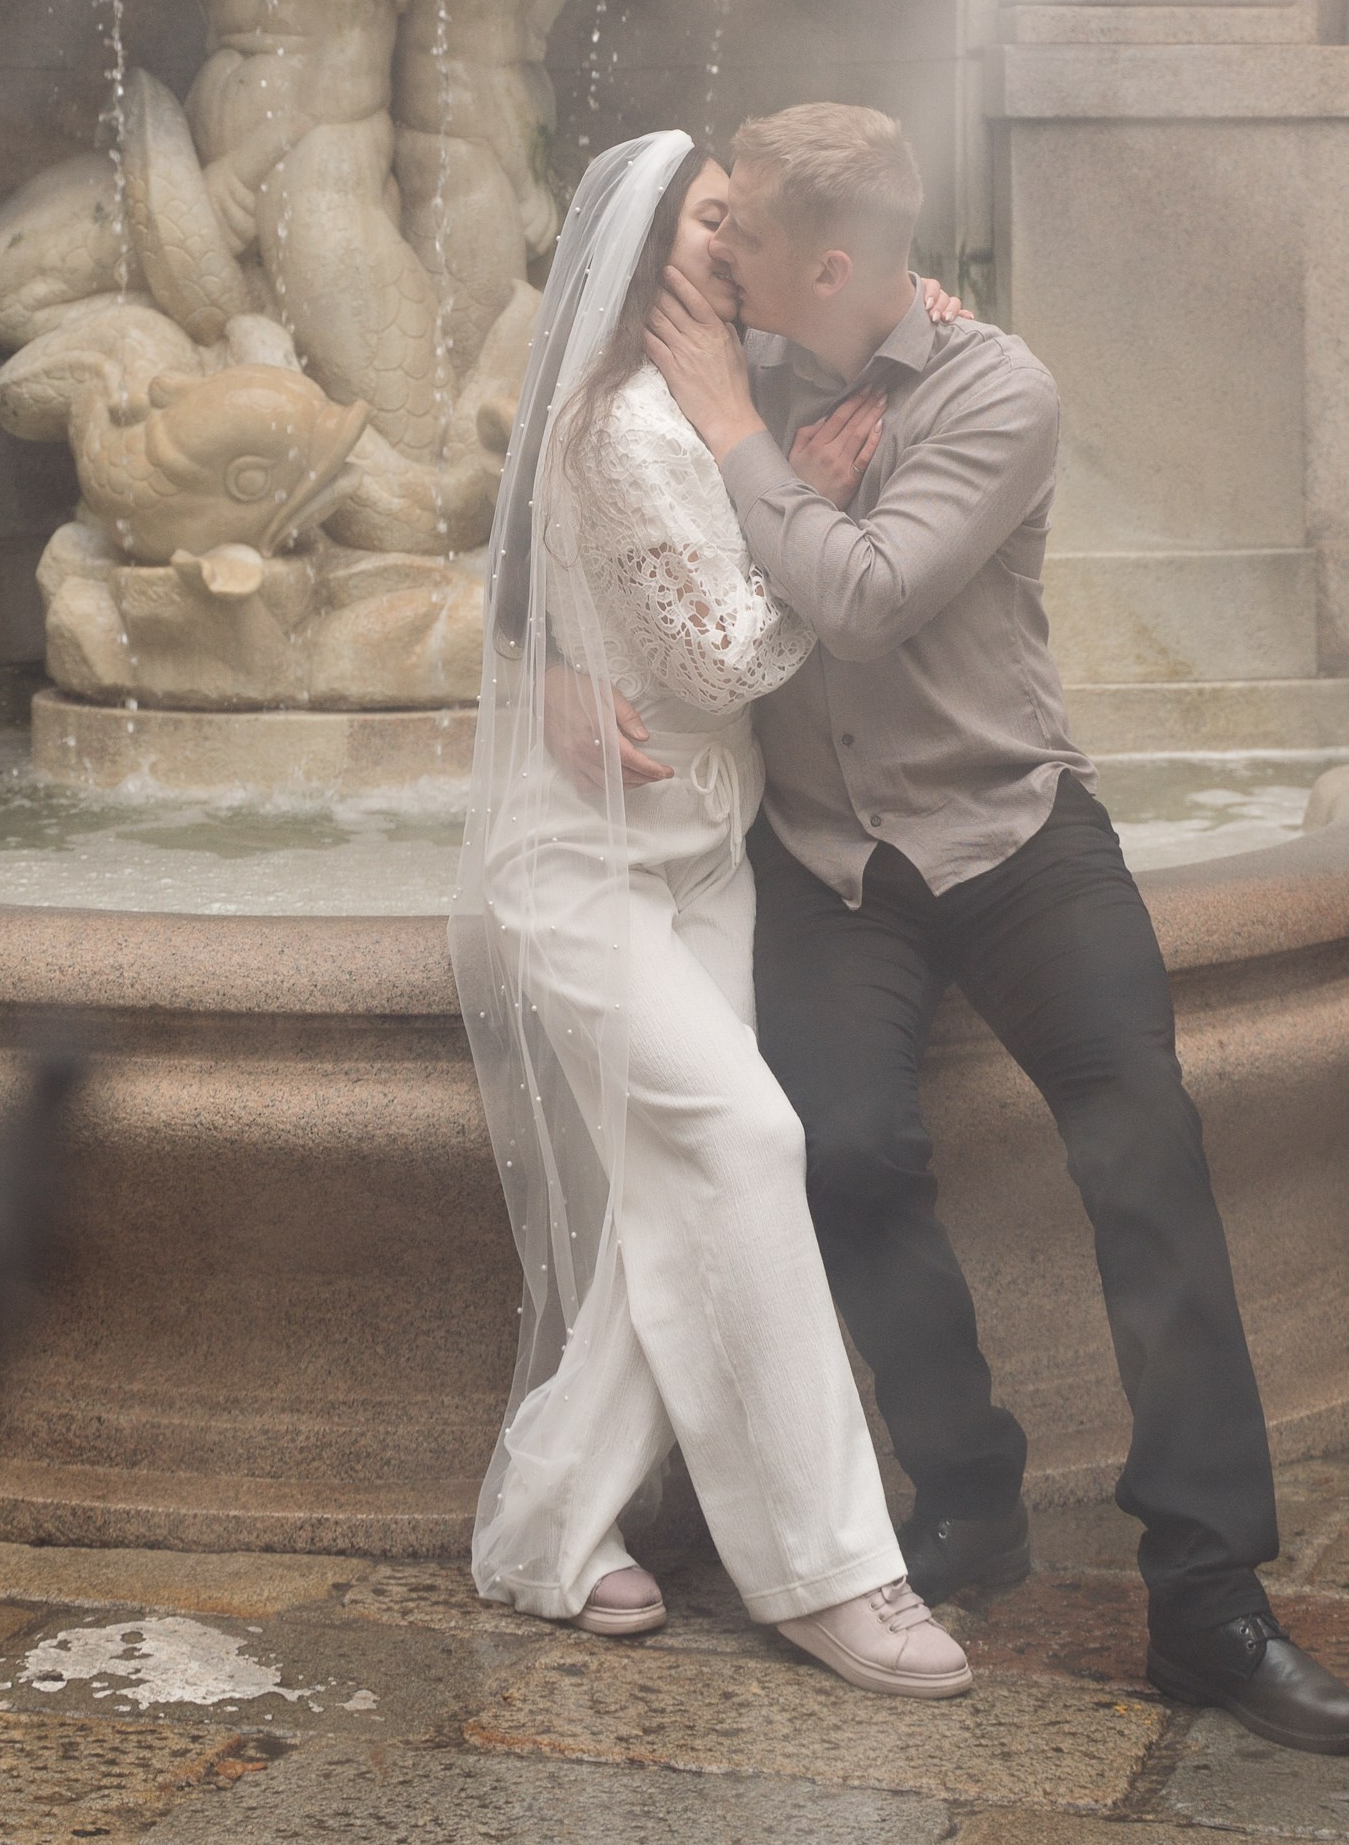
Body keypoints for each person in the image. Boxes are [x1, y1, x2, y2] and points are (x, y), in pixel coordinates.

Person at [643, 102, 1349, 1760]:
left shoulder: (995, 390)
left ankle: (1211, 1598)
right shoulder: (735, 356)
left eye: (744, 231)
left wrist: (734, 436)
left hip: (1013, 834)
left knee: (1147, 1149)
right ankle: (968, 1497)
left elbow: (863, 598)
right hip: (829, 861)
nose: (719, 251)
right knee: (842, 1150)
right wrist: (556, 662)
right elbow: (573, 497)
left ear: (828, 266)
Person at [450, 130, 972, 1696]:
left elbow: (876, 306)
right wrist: (813, 506)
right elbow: (722, 660)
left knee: (678, 1201)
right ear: (641, 256)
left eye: (746, 225)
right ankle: (830, 1572)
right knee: (747, 1143)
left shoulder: (744, 385)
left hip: (709, 856)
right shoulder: (619, 425)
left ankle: (544, 1527)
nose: (733, 248)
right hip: (582, 870)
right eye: (707, 224)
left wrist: (923, 313)